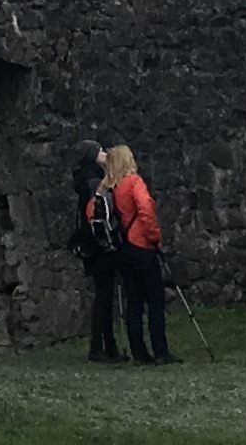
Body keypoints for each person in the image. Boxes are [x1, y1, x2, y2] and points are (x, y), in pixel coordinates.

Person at [102, 142, 171, 364]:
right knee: (155, 300)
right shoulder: (134, 182)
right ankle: (160, 351)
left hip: (123, 248)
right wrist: (155, 237)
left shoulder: (110, 188)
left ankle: (139, 352)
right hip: (141, 245)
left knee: (134, 302)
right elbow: (146, 209)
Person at [68, 152, 125, 359]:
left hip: (93, 247)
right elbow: (100, 215)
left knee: (104, 296)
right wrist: (110, 242)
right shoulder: (94, 182)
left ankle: (106, 345)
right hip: (101, 247)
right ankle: (100, 347)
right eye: (100, 151)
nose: (105, 154)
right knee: (104, 297)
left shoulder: (85, 180)